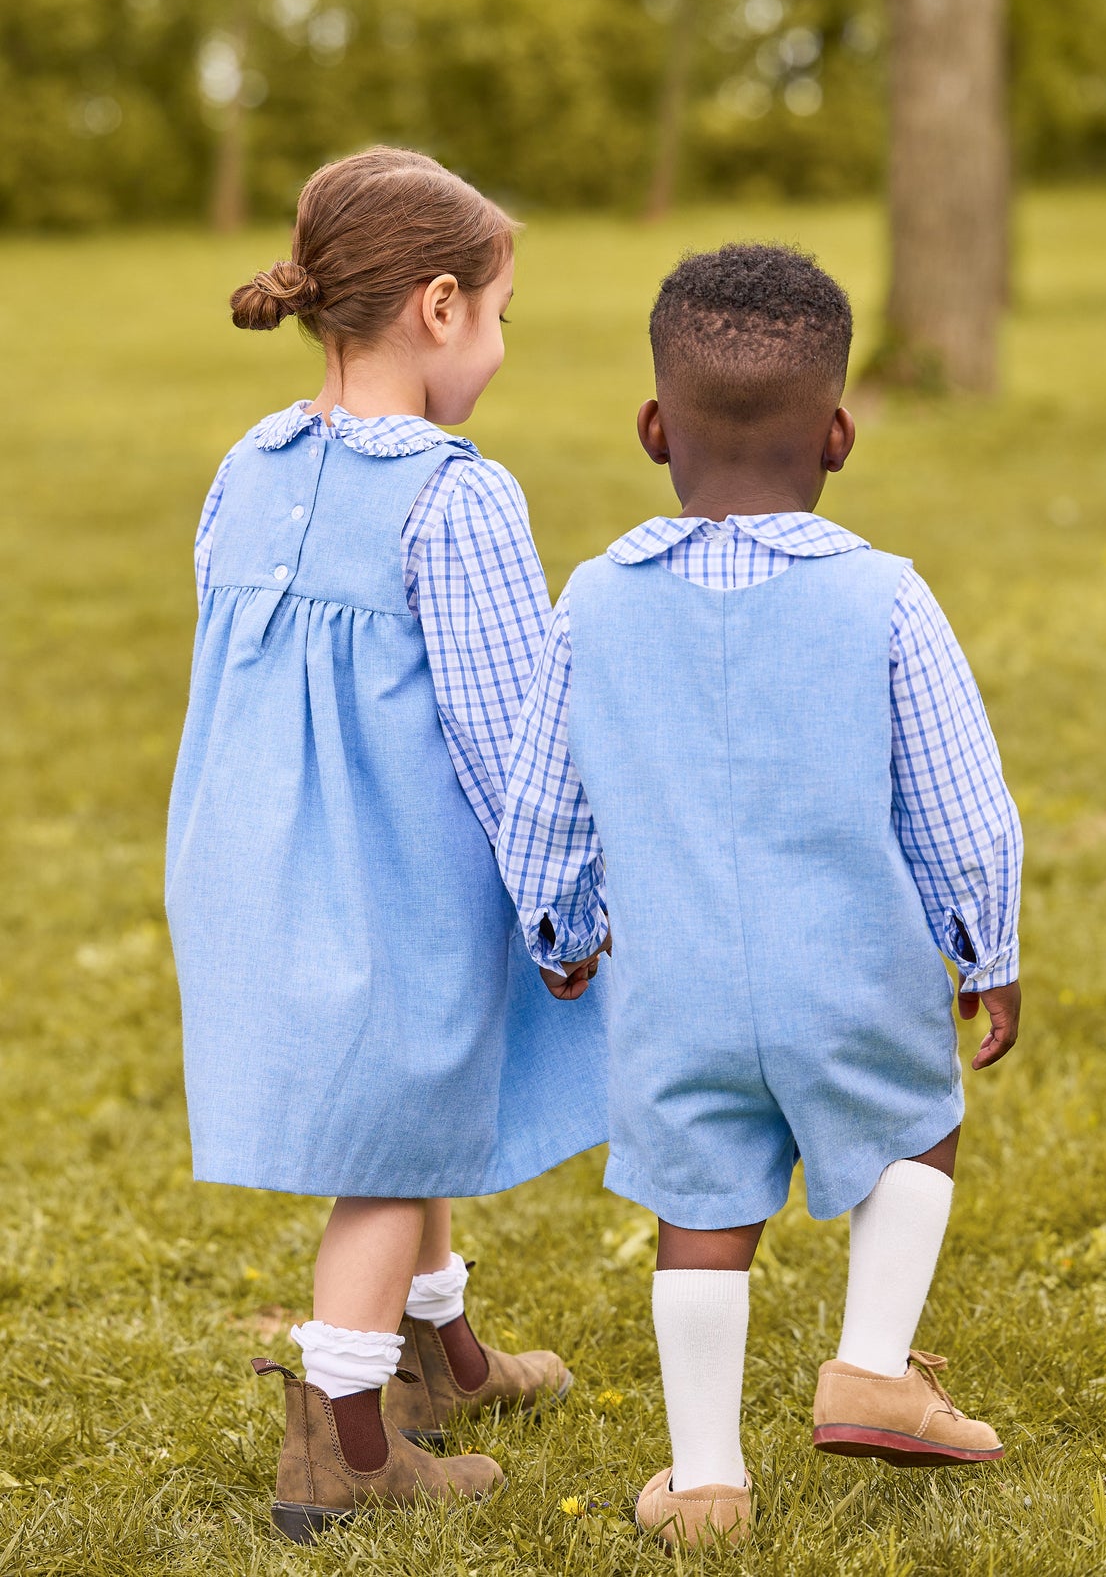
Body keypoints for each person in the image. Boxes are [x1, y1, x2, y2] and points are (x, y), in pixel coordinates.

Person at [497, 243, 1023, 1551]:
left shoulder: (592, 606)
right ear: (840, 434)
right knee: (915, 1130)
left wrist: (559, 929)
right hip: (856, 971)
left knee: (702, 1209)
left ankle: (708, 1483)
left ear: (652, 428)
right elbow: (967, 811)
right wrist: (985, 947)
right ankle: (872, 1364)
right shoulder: (886, 600)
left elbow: (542, 802)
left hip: (670, 987)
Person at [166, 147, 607, 1544]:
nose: (496, 344)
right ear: (434, 307)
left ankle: (443, 1353)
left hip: (253, 867)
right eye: (498, 314)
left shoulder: (252, 458)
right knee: (388, 1145)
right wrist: (566, 907)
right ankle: (345, 1445)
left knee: (421, 1100)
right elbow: (512, 737)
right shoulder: (458, 496)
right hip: (388, 875)